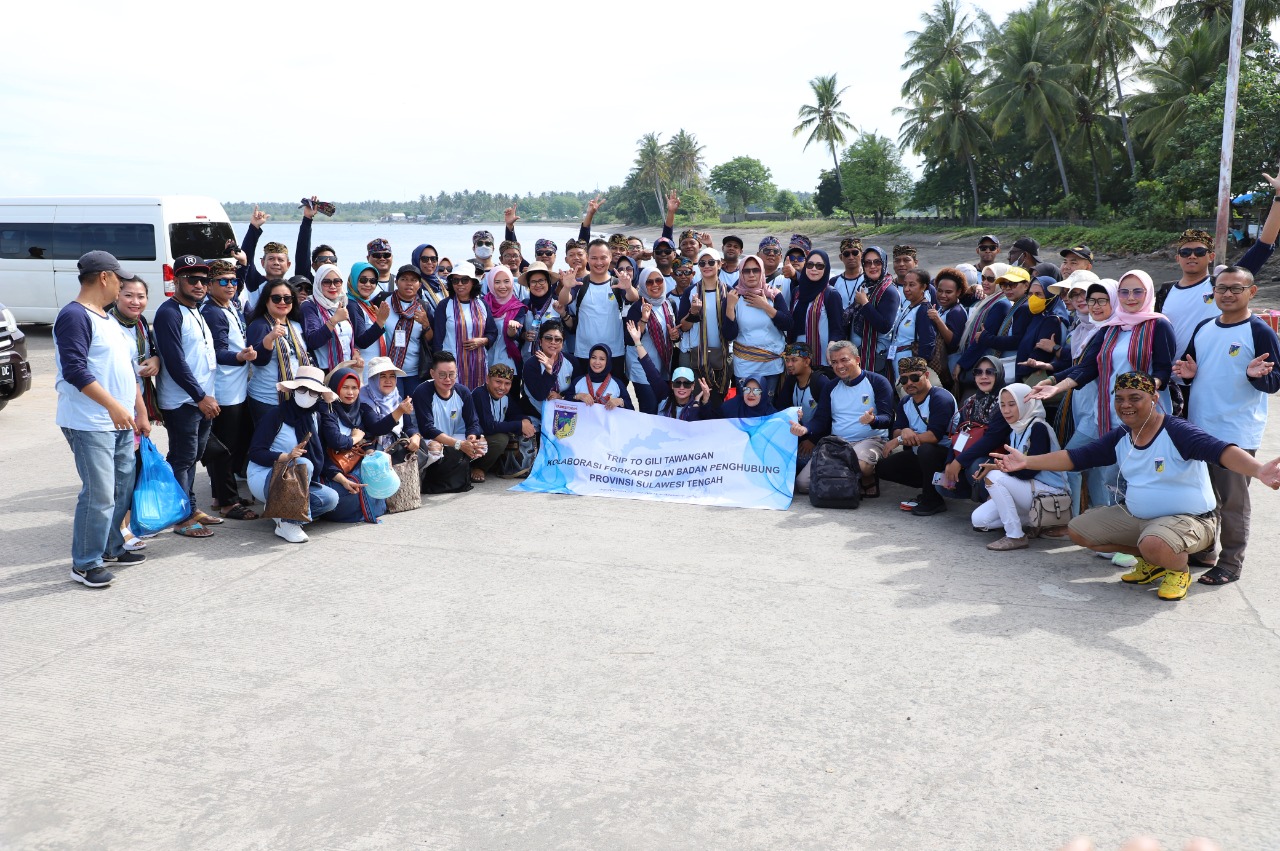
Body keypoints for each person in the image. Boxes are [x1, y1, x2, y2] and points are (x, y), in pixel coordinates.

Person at [994, 371, 1280, 601]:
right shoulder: (1122, 435)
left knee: (1154, 543)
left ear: (1154, 398)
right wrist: (1027, 461)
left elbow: (1222, 451)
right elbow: (1076, 457)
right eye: (1119, 399)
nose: (1126, 405)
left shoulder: (1177, 431)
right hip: (1140, 518)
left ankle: (1177, 570)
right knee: (1079, 530)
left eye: (1135, 397)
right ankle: (1153, 562)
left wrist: (1258, 470)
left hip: (1191, 520)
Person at [1174, 266, 1280, 585]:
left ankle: (1231, 563)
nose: (1228, 294)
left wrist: (1254, 376)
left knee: (1233, 501)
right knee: (1203, 497)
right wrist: (1188, 376)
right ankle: (1204, 550)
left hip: (1236, 431)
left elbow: (1274, 381)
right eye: (1221, 288)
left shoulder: (1259, 331)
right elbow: (1190, 369)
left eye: (1236, 288)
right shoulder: (1204, 327)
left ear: (1252, 292)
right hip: (1199, 428)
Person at [55, 251, 151, 586]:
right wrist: (112, 406)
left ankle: (112, 546)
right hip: (89, 422)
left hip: (121, 420)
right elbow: (74, 370)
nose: (122, 285)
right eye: (119, 279)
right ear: (104, 277)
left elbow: (126, 369)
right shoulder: (74, 316)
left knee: (121, 488)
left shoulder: (108, 319)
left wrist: (139, 410)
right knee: (99, 494)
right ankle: (85, 563)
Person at [1032, 270, 1177, 435]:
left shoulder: (1158, 325)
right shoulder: (1110, 328)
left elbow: (1163, 370)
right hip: (1110, 411)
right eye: (1124, 292)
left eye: (1137, 292)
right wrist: (1055, 387)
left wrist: (1143, 386)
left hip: (1144, 411)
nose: (1130, 297)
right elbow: (1088, 367)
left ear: (1148, 292)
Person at [153, 255, 221, 538]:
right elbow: (175, 361)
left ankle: (190, 508)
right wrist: (200, 396)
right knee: (182, 459)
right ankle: (180, 518)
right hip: (183, 402)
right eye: (192, 279)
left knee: (192, 457)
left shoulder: (196, 309)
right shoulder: (169, 312)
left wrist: (206, 396)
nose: (199, 285)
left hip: (202, 399)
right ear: (177, 280)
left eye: (204, 280)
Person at [246, 365, 348, 543]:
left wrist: (342, 479)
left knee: (330, 498)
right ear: (293, 390)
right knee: (302, 463)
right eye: (302, 389)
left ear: (319, 395)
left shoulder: (315, 417)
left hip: (298, 480)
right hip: (264, 475)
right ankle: (289, 522)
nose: (307, 394)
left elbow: (321, 456)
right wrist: (286, 457)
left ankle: (280, 511)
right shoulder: (276, 415)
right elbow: (255, 453)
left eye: (313, 391)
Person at [970, 384, 1069, 550]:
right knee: (979, 520)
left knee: (994, 477)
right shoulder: (1016, 428)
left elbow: (1028, 471)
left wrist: (996, 469)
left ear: (1026, 403)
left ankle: (1015, 535)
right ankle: (1038, 522)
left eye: (1012, 404)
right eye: (1002, 405)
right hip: (1030, 490)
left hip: (1051, 491)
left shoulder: (1038, 428)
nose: (1006, 410)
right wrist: (998, 471)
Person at [791, 340, 894, 497]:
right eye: (834, 362)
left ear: (857, 360)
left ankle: (867, 478)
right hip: (838, 443)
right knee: (803, 484)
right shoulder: (830, 387)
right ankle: (849, 483)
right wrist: (805, 429)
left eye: (844, 360)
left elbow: (887, 418)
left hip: (871, 439)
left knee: (861, 465)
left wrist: (873, 420)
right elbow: (820, 419)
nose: (839, 366)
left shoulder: (878, 382)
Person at [200, 259, 258, 520]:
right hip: (224, 390)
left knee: (230, 447)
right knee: (224, 449)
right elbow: (217, 352)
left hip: (236, 388)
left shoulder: (229, 304)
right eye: (223, 281)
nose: (231, 285)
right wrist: (240, 356)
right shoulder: (213, 312)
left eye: (234, 280)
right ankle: (227, 503)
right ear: (210, 284)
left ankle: (221, 496)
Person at [321, 366, 413, 523]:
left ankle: (369, 509)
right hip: (333, 468)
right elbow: (335, 442)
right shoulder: (327, 411)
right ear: (336, 388)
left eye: (354, 388)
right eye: (345, 387)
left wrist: (371, 451)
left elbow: (373, 432)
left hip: (356, 461)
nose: (350, 392)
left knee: (376, 476)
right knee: (346, 494)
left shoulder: (360, 408)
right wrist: (355, 438)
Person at [875, 356, 958, 516]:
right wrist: (904, 431)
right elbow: (896, 431)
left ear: (926, 375)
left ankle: (933, 499)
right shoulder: (905, 402)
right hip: (921, 456)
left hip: (948, 457)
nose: (909, 383)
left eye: (914, 377)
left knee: (926, 449)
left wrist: (900, 439)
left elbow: (934, 436)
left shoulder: (940, 398)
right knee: (883, 468)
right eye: (904, 379)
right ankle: (930, 487)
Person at [412, 351, 485, 493]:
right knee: (435, 449)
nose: (448, 379)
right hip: (430, 439)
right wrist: (458, 444)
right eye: (442, 375)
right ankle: (422, 474)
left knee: (481, 443)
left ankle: (462, 471)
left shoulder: (463, 391)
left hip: (453, 436)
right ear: (432, 373)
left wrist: (471, 437)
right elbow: (427, 429)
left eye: (452, 374)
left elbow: (474, 422)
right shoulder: (423, 391)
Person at [564, 239, 636, 379]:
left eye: (603, 257)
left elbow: (633, 297)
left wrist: (628, 287)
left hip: (614, 352)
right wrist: (566, 287)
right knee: (584, 389)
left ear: (610, 257)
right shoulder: (580, 284)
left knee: (614, 389)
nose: (599, 262)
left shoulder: (617, 283)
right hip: (584, 352)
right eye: (594, 258)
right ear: (587, 258)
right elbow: (563, 300)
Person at [940, 354, 1006, 504]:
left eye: (990, 372)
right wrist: (950, 462)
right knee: (943, 483)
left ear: (999, 374)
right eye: (978, 372)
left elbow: (992, 439)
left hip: (999, 456)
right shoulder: (970, 402)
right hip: (972, 452)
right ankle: (979, 496)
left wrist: (960, 461)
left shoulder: (1005, 401)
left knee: (976, 467)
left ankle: (994, 504)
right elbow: (960, 433)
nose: (984, 376)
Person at [724, 253, 791, 397]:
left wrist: (765, 306)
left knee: (768, 404)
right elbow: (729, 335)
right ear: (741, 273)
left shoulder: (773, 294)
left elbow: (788, 324)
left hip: (771, 365)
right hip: (745, 364)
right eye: (746, 271)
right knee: (746, 404)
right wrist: (729, 307)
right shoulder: (733, 296)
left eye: (756, 270)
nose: (751, 275)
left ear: (762, 272)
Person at [246, 278, 310, 425]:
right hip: (267, 399)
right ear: (266, 301)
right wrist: (270, 338)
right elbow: (259, 360)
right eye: (276, 298)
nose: (282, 302)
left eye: (287, 298)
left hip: (297, 398)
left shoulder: (296, 325)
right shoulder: (259, 325)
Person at [677, 248, 734, 408]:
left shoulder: (729, 292)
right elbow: (684, 328)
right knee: (695, 400)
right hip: (694, 354)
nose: (706, 266)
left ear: (719, 264)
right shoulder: (690, 292)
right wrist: (693, 312)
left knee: (717, 400)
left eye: (711, 262)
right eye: (702, 263)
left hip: (722, 354)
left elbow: (733, 328)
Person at [302, 264, 385, 372]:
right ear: (318, 283)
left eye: (337, 281)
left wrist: (354, 351)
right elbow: (313, 341)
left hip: (346, 369)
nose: (332, 286)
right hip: (324, 372)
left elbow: (345, 338)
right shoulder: (309, 305)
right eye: (326, 282)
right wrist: (334, 320)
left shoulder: (342, 303)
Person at [432, 262, 495, 392]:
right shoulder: (444, 305)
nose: (460, 284)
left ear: (473, 282)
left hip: (478, 364)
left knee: (477, 397)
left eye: (465, 280)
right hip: (452, 366)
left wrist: (483, 340)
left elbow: (492, 332)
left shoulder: (482, 304)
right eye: (455, 280)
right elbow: (437, 340)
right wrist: (439, 365)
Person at [625, 268, 679, 413]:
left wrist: (675, 335)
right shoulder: (637, 307)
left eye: (658, 280)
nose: (655, 285)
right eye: (649, 282)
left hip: (663, 365)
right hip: (641, 367)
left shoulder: (669, 304)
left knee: (663, 407)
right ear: (643, 285)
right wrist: (644, 319)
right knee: (649, 406)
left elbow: (676, 334)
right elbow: (630, 339)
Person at [472, 364, 536, 483]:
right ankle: (479, 467)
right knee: (501, 439)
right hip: (472, 439)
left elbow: (515, 414)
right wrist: (519, 425)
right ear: (487, 379)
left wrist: (525, 420)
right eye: (498, 382)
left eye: (507, 383)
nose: (502, 387)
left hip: (485, 439)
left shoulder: (505, 397)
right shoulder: (480, 394)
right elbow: (488, 426)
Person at [773, 343, 832, 470]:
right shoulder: (791, 380)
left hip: (818, 438)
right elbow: (781, 408)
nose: (789, 364)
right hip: (797, 435)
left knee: (799, 462)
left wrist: (813, 440)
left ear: (806, 361)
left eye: (794, 360)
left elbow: (827, 418)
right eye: (787, 360)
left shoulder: (821, 382)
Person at [844, 245, 901, 375]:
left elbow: (884, 326)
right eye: (868, 263)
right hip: (859, 353)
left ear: (884, 263)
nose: (872, 266)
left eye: (877, 262)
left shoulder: (889, 291)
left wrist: (865, 303)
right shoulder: (865, 285)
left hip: (876, 357)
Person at [954, 262, 1012, 386]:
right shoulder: (990, 299)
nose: (985, 282)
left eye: (991, 279)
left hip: (981, 363)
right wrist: (974, 287)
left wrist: (961, 364)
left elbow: (982, 339)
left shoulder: (1001, 304)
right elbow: (963, 298)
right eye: (983, 278)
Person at [380, 264, 434, 398]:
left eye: (413, 280)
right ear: (396, 282)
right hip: (389, 371)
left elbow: (431, 340)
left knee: (412, 409)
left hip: (414, 373)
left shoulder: (424, 307)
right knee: (393, 408)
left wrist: (426, 324)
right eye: (404, 279)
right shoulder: (383, 301)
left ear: (419, 285)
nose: (409, 283)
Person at [787, 248, 843, 375]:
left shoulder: (831, 294)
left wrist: (832, 344)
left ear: (826, 269)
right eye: (810, 265)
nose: (814, 269)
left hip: (821, 362)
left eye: (819, 266)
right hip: (798, 360)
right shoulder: (797, 292)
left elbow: (837, 329)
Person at [884, 268, 938, 387]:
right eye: (905, 285)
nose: (906, 289)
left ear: (923, 287)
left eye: (912, 285)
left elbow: (928, 342)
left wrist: (916, 371)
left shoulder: (923, 309)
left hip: (911, 371)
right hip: (899, 365)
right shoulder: (910, 306)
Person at [359, 356, 423, 453]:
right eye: (382, 376)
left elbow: (408, 426)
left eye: (392, 376)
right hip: (373, 450)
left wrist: (415, 436)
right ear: (373, 379)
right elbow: (377, 429)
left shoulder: (396, 397)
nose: (388, 381)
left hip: (396, 448)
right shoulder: (364, 400)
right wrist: (399, 411)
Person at [1011, 276, 1067, 383]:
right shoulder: (1039, 316)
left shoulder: (1052, 320)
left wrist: (1020, 371)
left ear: (1051, 295)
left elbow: (1041, 355)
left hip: (1034, 378)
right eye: (1030, 294)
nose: (1033, 298)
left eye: (1038, 294)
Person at [520, 321, 575, 418]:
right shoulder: (531, 364)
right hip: (536, 415)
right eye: (548, 338)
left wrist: (562, 397)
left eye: (558, 339)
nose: (553, 342)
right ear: (540, 342)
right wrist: (548, 371)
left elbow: (577, 388)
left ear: (562, 344)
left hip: (565, 415)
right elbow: (540, 395)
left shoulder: (571, 361)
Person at [345, 262, 393, 369]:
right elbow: (362, 341)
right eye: (363, 280)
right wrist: (380, 322)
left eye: (372, 281)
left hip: (375, 368)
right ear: (353, 280)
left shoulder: (366, 303)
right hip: (364, 369)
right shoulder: (352, 305)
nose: (368, 284)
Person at [483, 266, 526, 380]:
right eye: (497, 282)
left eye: (506, 281)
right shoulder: (482, 304)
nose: (502, 286)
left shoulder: (518, 307)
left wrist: (512, 330)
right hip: (484, 361)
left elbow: (517, 335)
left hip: (509, 363)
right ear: (490, 283)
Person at [926, 269, 970, 378]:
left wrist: (937, 320)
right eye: (939, 291)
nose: (943, 295)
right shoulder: (944, 309)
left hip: (949, 366)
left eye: (948, 292)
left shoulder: (956, 312)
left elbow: (953, 343)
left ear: (958, 292)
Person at [518, 262, 564, 361]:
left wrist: (564, 314)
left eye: (541, 280)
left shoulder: (558, 303)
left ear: (548, 282)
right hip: (528, 359)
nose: (537, 285)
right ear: (529, 284)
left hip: (554, 359)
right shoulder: (525, 305)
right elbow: (517, 333)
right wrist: (524, 335)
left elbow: (570, 328)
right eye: (533, 282)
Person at [572, 344, 630, 409]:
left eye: (602, 359)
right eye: (593, 357)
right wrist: (577, 396)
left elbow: (631, 409)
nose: (597, 362)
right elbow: (565, 403)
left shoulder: (617, 383)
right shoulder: (578, 381)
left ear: (607, 361)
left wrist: (621, 402)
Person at [830, 238, 865, 333]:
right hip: (840, 331)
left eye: (855, 253)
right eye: (846, 254)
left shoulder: (868, 280)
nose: (851, 257)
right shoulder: (833, 282)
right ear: (841, 257)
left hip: (861, 333)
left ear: (862, 255)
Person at [411, 244, 450, 311]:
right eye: (424, 259)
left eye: (433, 259)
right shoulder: (414, 287)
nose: (429, 262)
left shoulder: (445, 284)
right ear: (416, 260)